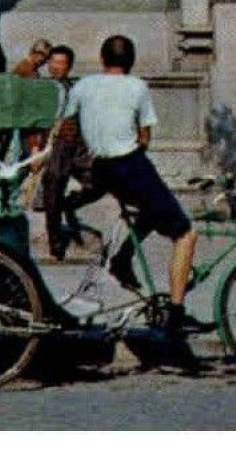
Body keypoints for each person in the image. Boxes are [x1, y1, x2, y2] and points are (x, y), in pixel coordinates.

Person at [62, 34, 207, 334]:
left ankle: (124, 257)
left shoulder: (83, 86)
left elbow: (66, 127)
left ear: (102, 60)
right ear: (131, 62)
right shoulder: (137, 87)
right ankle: (176, 313)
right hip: (129, 163)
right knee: (185, 233)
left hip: (100, 166)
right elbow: (144, 135)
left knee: (151, 211)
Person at [39, 45, 95, 260]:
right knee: (53, 191)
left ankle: (69, 203)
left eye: (61, 63)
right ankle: (56, 244)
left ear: (68, 67)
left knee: (98, 180)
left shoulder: (74, 89)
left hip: (77, 146)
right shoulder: (42, 90)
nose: (56, 67)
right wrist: (36, 149)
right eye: (53, 63)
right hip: (55, 145)